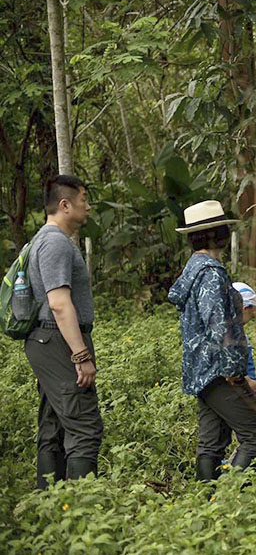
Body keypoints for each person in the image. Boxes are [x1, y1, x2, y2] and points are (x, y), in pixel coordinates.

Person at [168, 200, 256, 480]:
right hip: (220, 373)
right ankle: (227, 500)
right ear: (219, 235)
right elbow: (220, 326)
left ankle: (206, 502)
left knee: (211, 442)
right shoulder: (210, 274)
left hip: (201, 371)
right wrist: (236, 373)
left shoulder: (193, 271)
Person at [25, 175, 103, 488]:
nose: (88, 206)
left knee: (53, 425)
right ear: (65, 205)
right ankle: (82, 511)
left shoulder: (44, 240)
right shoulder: (55, 242)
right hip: (59, 340)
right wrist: (80, 354)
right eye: (83, 199)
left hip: (49, 341)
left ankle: (51, 504)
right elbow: (59, 304)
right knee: (84, 425)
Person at [232, 282, 256, 397]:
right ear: (246, 308)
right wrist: (247, 380)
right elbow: (230, 361)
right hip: (241, 389)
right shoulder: (232, 332)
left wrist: (252, 375)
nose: (251, 318)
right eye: (252, 313)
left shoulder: (237, 330)